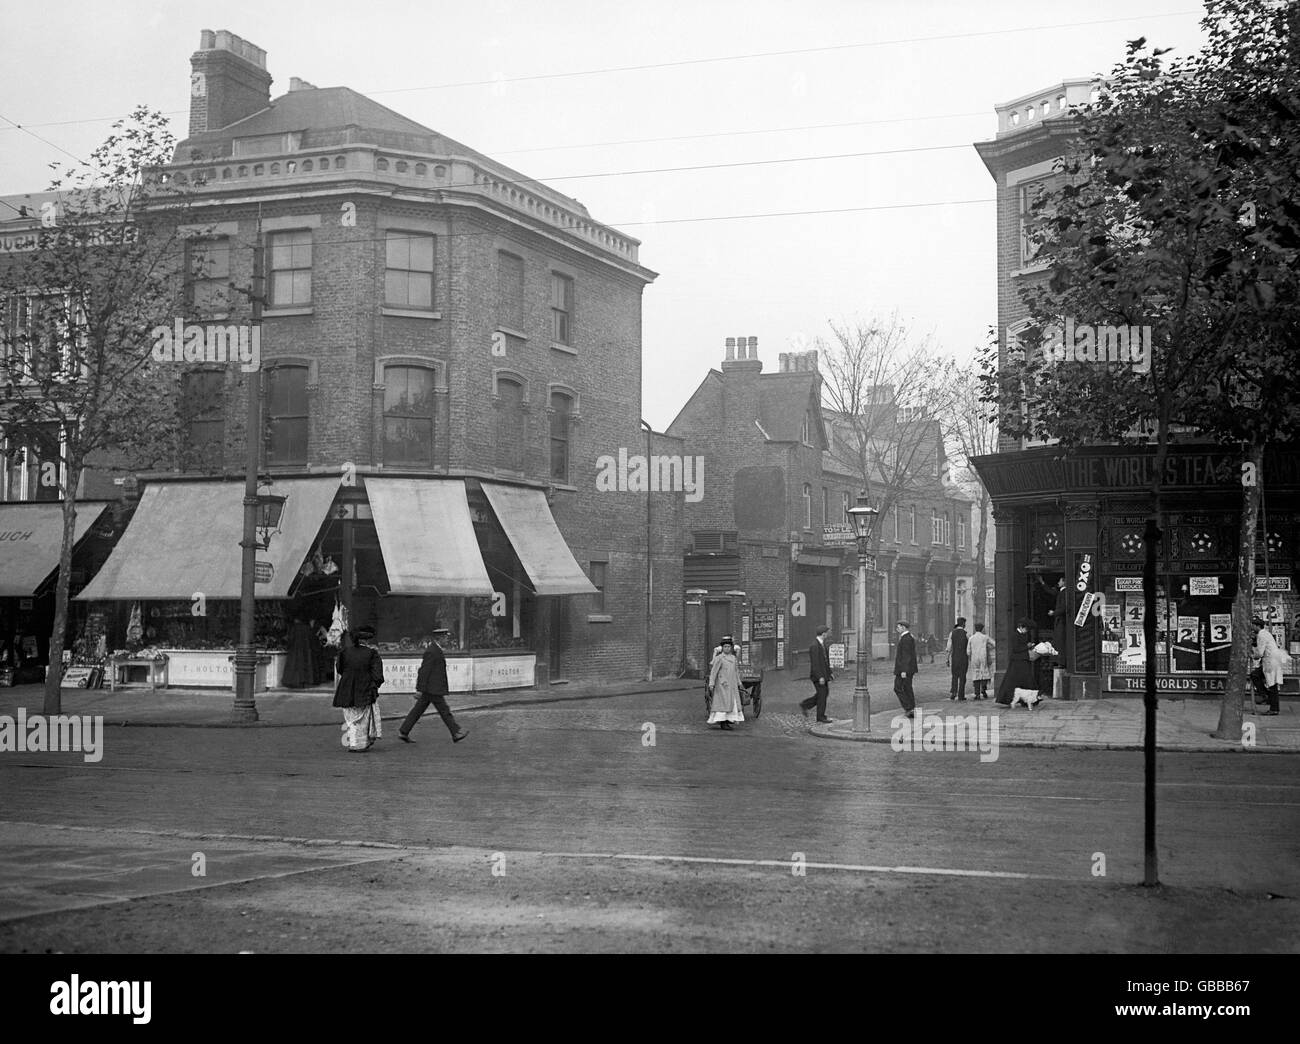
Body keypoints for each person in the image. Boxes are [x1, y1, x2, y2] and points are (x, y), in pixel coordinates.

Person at [399, 629, 469, 743]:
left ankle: (403, 731)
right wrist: (419, 689)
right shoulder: (432, 651)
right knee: (444, 710)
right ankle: (456, 732)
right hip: (432, 689)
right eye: (446, 638)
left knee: (417, 710)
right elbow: (424, 671)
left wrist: (421, 689)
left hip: (430, 689)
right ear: (439, 638)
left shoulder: (435, 650)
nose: (447, 640)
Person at [333, 626, 385, 752]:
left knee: (350, 718)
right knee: (363, 718)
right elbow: (377, 675)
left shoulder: (345, 652)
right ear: (367, 641)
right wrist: (375, 685)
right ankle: (360, 744)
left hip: (346, 689)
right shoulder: (372, 654)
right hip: (364, 688)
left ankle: (353, 742)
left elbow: (339, 669)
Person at [995, 618, 1037, 706]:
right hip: (1017, 661)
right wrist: (1027, 646)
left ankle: (1028, 699)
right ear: (1021, 627)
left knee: (1026, 680)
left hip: (1023, 660)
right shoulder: (1015, 635)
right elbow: (1016, 648)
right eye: (1026, 629)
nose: (1026, 631)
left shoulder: (1022, 635)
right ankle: (1008, 699)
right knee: (1013, 681)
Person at [707, 636, 744, 730]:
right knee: (723, 702)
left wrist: (739, 683)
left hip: (732, 684)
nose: (727, 648)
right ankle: (722, 722)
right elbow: (714, 671)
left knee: (732, 702)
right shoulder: (719, 658)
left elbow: (736, 671)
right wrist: (711, 683)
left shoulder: (733, 658)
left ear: (731, 648)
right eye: (725, 647)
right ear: (722, 648)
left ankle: (729, 720)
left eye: (728, 647)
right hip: (722, 684)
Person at [799, 624, 834, 722]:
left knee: (823, 693)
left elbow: (825, 661)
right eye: (827, 632)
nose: (828, 634)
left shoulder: (822, 644)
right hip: (818, 676)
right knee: (822, 695)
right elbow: (815, 664)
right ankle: (820, 717)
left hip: (824, 675)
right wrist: (820, 677)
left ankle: (805, 705)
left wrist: (830, 673)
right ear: (823, 634)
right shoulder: (814, 646)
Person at [1252, 618, 1286, 716]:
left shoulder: (1261, 635)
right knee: (1257, 676)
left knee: (1271, 684)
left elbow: (1260, 653)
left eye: (1253, 625)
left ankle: (1268, 700)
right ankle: (1267, 698)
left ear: (1258, 626)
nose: (1252, 627)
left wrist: (1253, 655)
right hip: (1271, 661)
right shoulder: (1265, 633)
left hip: (1270, 662)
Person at [281, 616, 324, 688]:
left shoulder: (294, 628)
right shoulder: (307, 628)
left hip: (295, 650)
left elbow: (290, 639)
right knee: (305, 666)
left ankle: (293, 682)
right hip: (306, 651)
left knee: (294, 666)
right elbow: (312, 639)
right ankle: (306, 682)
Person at [894, 621, 918, 718]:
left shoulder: (906, 639)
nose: (897, 629)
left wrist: (903, 670)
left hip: (904, 669)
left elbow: (906, 656)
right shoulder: (908, 637)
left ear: (903, 627)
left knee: (898, 688)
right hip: (908, 668)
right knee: (907, 687)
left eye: (898, 627)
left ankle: (908, 707)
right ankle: (911, 708)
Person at [1046, 577, 1070, 667]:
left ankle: (1061, 661)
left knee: (1061, 641)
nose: (1058, 582)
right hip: (1060, 621)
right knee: (1059, 641)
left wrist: (1054, 613)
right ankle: (1060, 661)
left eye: (1060, 580)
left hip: (1061, 621)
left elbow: (1063, 608)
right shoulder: (1061, 592)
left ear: (1064, 582)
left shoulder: (1064, 593)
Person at [968, 622, 995, 700]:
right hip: (983, 657)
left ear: (975, 629)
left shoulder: (971, 638)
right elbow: (994, 644)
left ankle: (977, 694)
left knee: (976, 675)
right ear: (982, 629)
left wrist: (970, 657)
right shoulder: (985, 637)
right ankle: (983, 690)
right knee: (984, 673)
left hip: (974, 658)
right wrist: (988, 648)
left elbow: (968, 651)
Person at [946, 617, 970, 701]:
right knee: (963, 676)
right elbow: (969, 648)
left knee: (954, 676)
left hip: (955, 658)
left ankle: (953, 692)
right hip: (963, 658)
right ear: (963, 624)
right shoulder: (966, 634)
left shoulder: (951, 633)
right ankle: (961, 695)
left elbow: (949, 647)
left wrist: (947, 659)